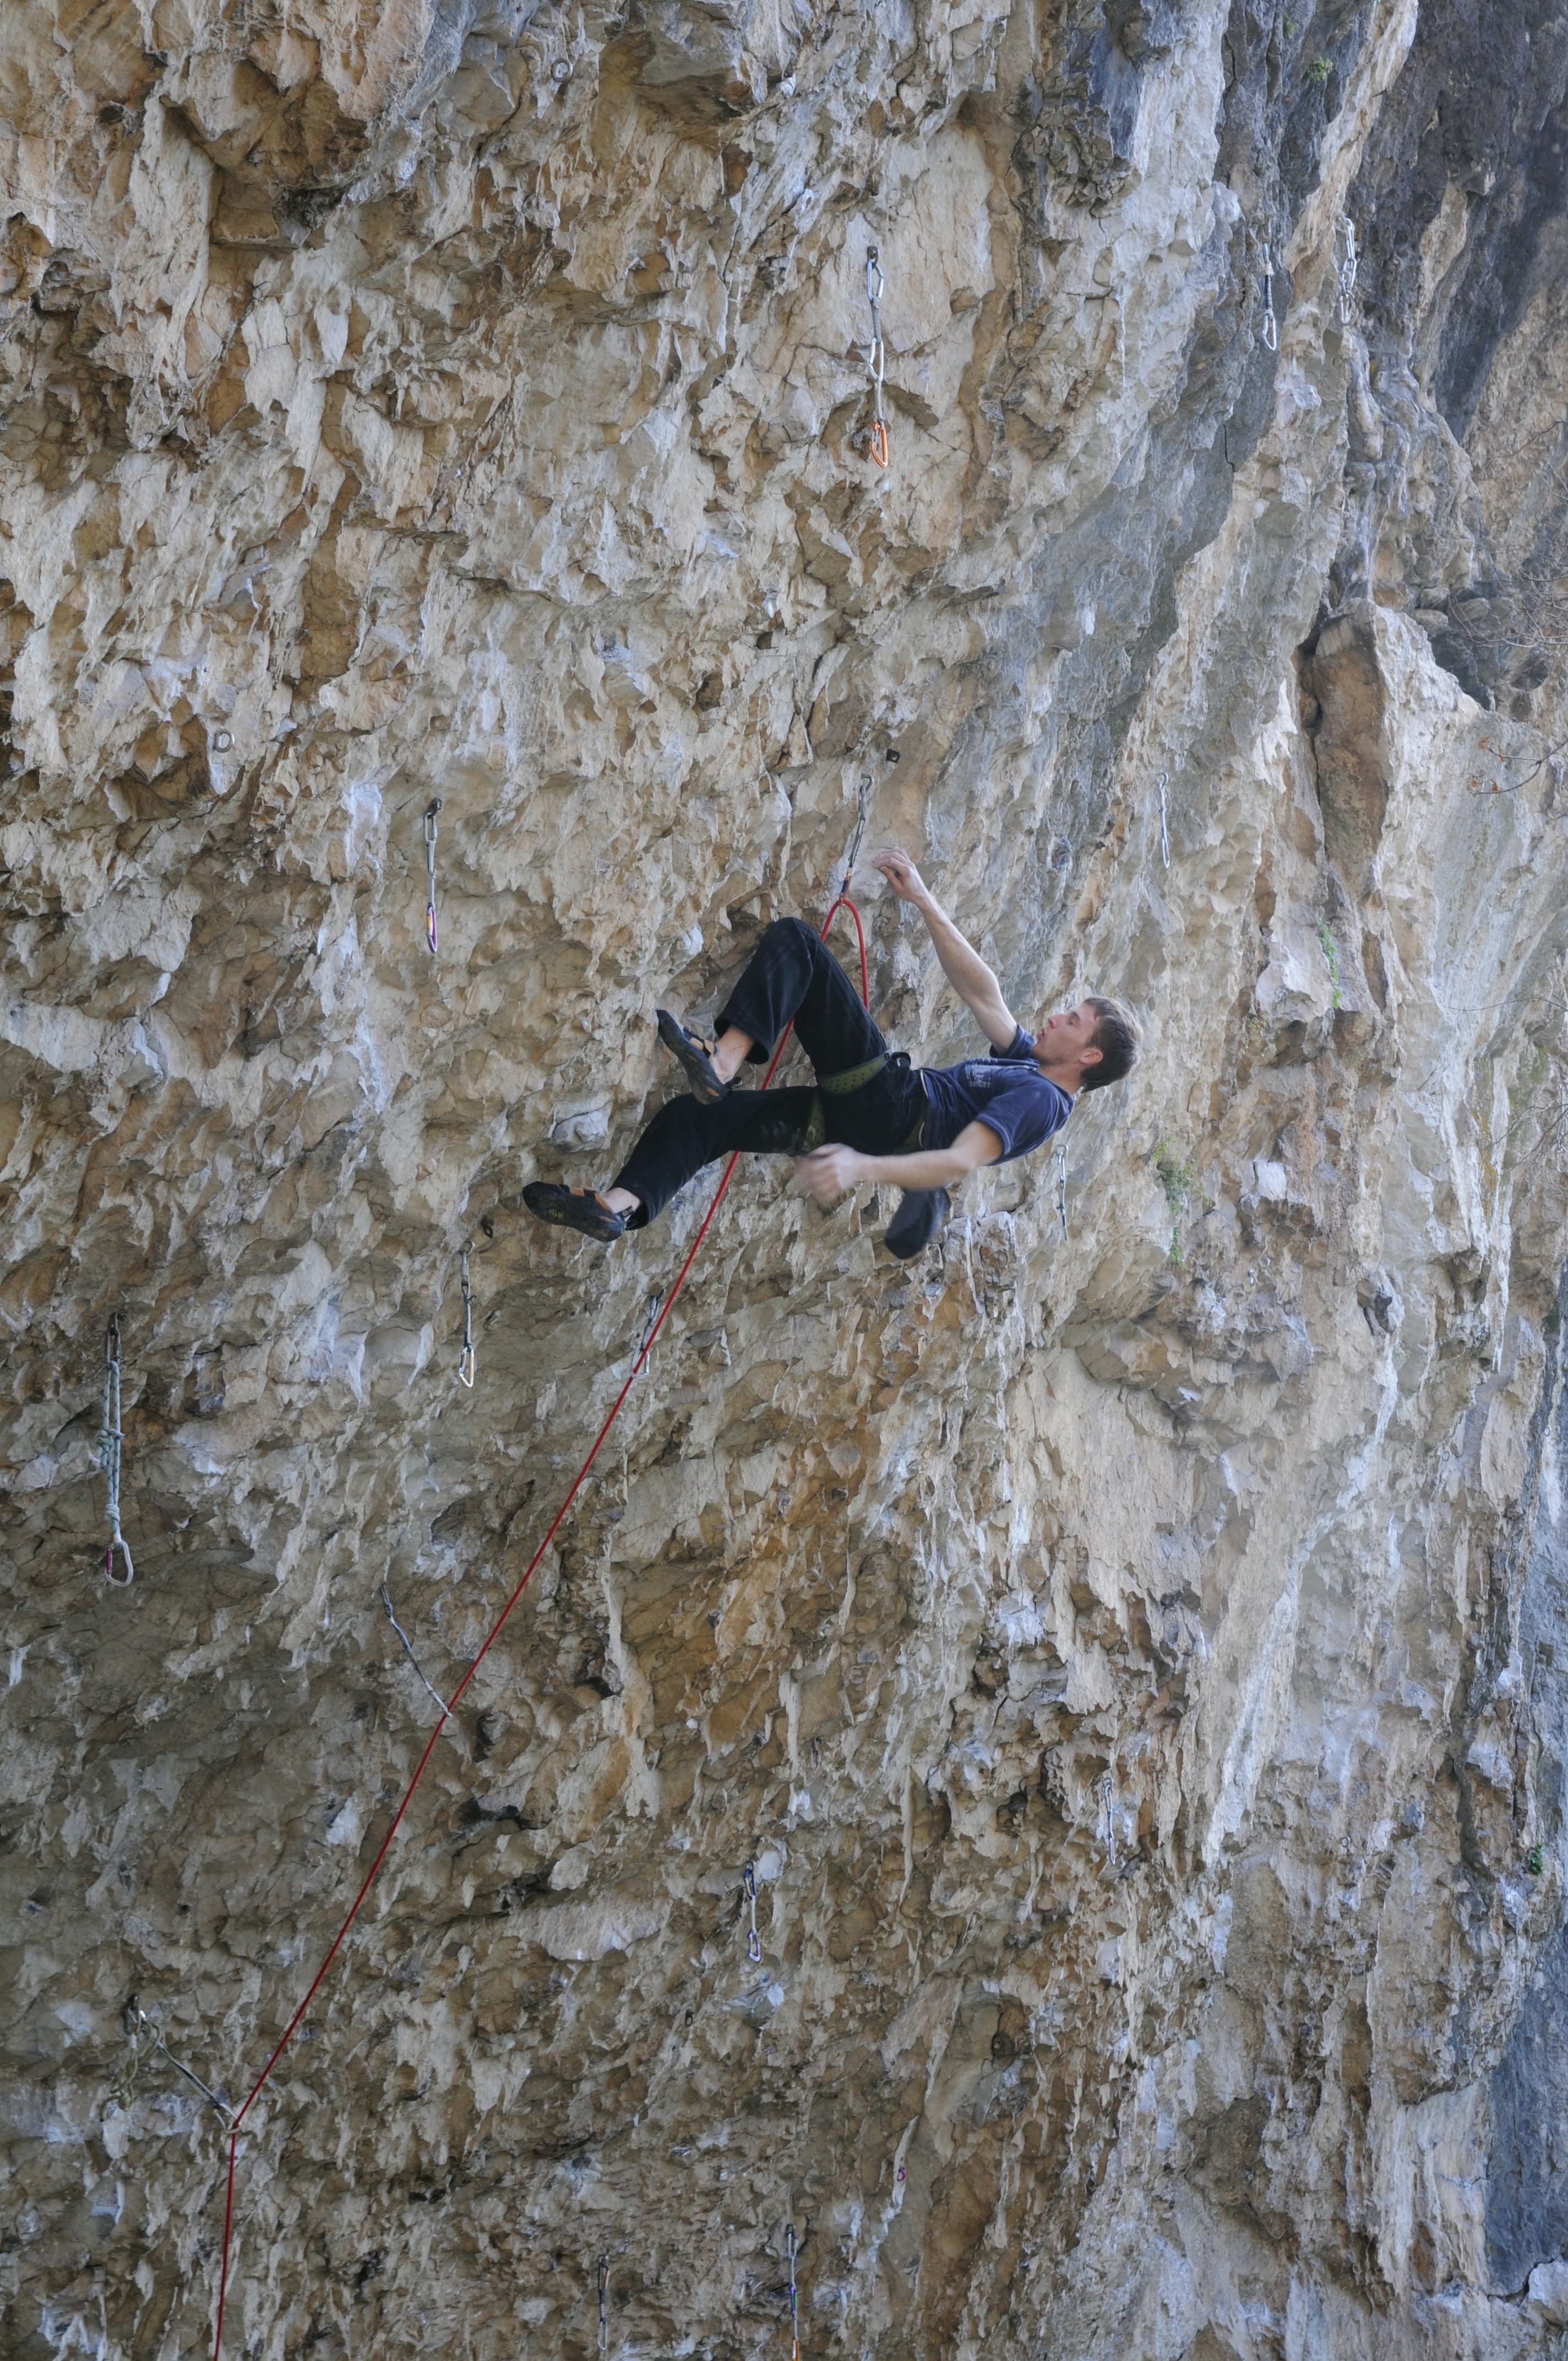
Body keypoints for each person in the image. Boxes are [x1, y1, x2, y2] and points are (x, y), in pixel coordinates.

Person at [523, 848, 1142, 1260]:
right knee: (700, 1121)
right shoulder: (1031, 1064)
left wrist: (858, 1169)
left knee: (799, 946)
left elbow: (956, 1163)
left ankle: (722, 1062)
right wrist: (924, 901)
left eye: (1074, 1021)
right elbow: (984, 991)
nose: (1058, 1016)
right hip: (852, 1121)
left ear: (1087, 1057)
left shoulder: (1041, 1099)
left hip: (891, 1112)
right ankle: (614, 1208)